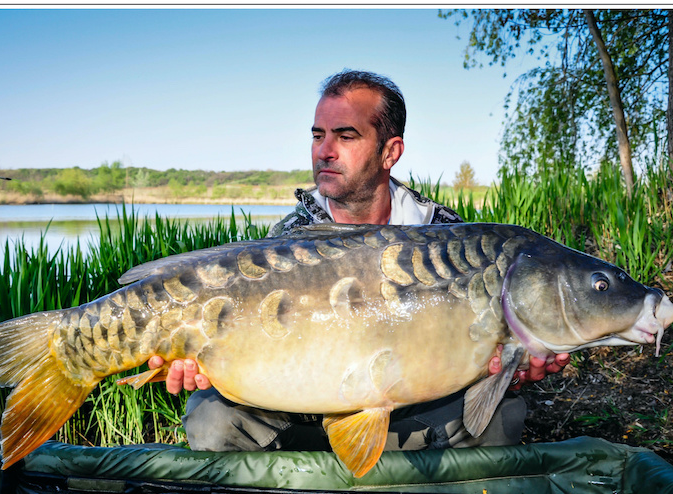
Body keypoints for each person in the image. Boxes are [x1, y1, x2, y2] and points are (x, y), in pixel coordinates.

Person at [142, 70, 569, 453]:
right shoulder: (288, 241)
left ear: (390, 152)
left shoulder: (449, 238)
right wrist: (195, 360)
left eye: (345, 136)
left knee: (503, 411)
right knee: (210, 416)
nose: (324, 151)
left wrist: (511, 365)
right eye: (317, 135)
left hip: (413, 418)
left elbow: (483, 357)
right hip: (301, 418)